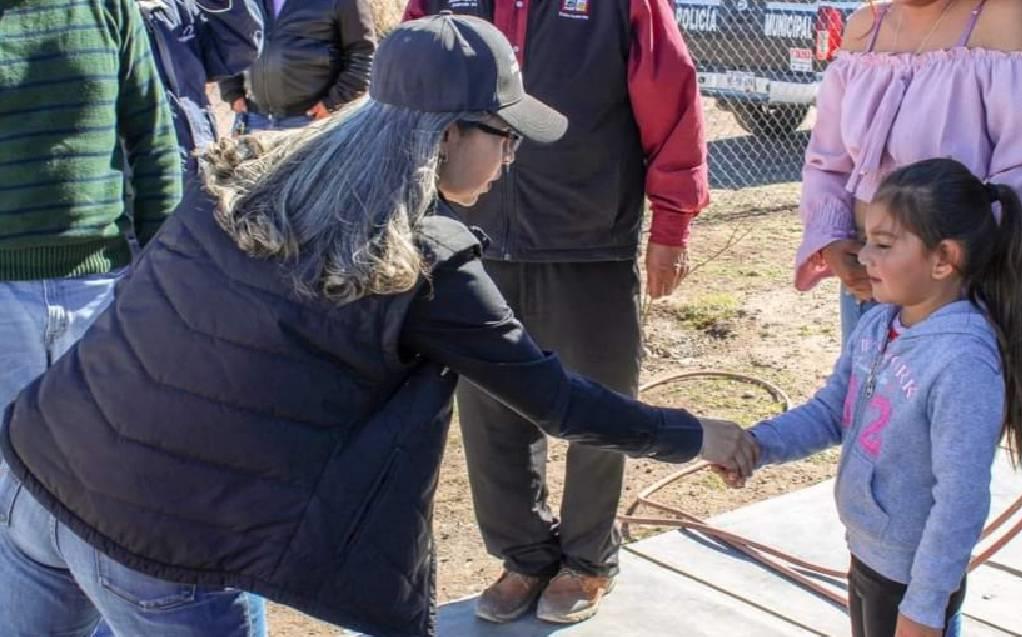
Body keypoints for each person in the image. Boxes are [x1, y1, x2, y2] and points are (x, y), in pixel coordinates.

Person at [0, 15, 756, 637]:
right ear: (448, 135)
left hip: (42, 477)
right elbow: (560, 402)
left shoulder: (250, 176)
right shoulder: (422, 266)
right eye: (506, 136)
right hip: (162, 544)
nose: (509, 160)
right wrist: (701, 435)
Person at [402, 0, 708, 624]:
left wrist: (672, 226)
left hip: (588, 238)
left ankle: (589, 559)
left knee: (603, 401)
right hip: (467, 236)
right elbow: (405, 99)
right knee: (490, 410)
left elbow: (673, 106)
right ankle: (525, 556)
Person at [716, 158, 1022, 637]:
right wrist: (758, 444)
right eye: (866, 238)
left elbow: (960, 501)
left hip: (914, 580)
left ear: (943, 259)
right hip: (869, 554)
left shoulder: (963, 363)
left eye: (884, 245)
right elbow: (833, 411)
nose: (863, 255)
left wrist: (924, 611)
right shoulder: (880, 321)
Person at [794, 0, 1022, 342]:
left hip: (959, 291)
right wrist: (833, 240)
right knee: (870, 393)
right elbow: (827, 162)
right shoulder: (865, 27)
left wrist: (942, 261)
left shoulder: (1006, 19)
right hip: (869, 282)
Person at [0, 0, 180, 422]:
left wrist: (166, 275)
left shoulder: (108, 7)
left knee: (110, 467)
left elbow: (154, 144)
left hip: (103, 293)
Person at [137, 0, 264, 174]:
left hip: (200, 163)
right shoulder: (99, 18)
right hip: (136, 176)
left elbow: (241, 49)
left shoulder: (176, 8)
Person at [219, 0, 374, 132]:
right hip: (253, 120)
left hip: (311, 123)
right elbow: (230, 41)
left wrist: (333, 104)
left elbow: (364, 55)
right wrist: (232, 92)